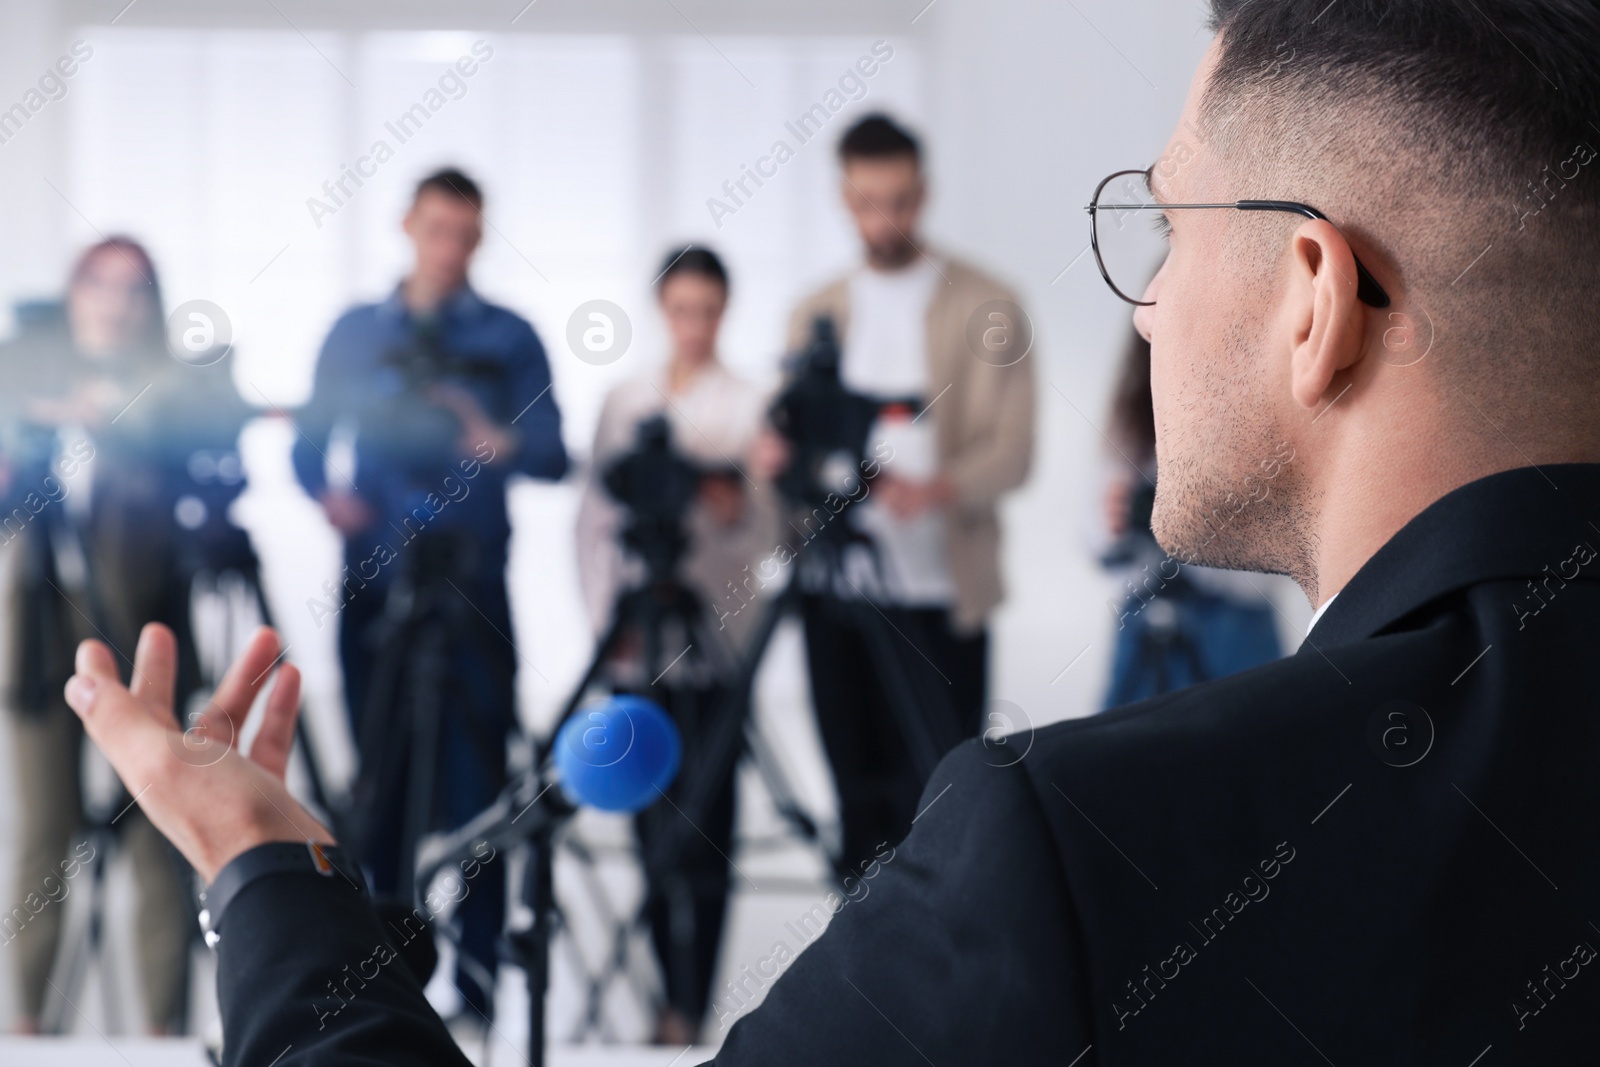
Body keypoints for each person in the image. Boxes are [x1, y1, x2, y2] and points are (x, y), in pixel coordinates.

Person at [50, 0, 1600, 1062]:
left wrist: (264, 871)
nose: (1142, 302)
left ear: (1317, 298)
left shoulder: (1066, 854)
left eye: (1165, 227)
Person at [290, 167, 568, 1017]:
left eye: (465, 233)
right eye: (436, 229)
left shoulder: (509, 337)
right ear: (407, 224)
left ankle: (478, 983)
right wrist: (327, 497)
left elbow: (555, 453)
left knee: (475, 787)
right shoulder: (355, 333)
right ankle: (375, 984)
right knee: (377, 783)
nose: (449, 248)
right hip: (375, 579)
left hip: (474, 582)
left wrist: (496, 440)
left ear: (480, 238)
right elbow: (308, 445)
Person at [760, 113, 1035, 877]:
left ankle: (943, 985)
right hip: (835, 590)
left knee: (945, 802)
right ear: (845, 199)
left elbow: (1014, 452)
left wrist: (937, 488)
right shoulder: (813, 312)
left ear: (925, 193)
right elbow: (795, 439)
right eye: (869, 201)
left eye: (902, 199)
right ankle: (856, 981)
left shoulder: (989, 302)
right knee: (858, 803)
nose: (887, 218)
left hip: (942, 593)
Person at [573, 246, 777, 1045]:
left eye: (709, 311)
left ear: (726, 311)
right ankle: (667, 1000)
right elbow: (592, 524)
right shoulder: (625, 399)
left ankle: (697, 1006)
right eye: (682, 310)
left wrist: (724, 498)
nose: (695, 326)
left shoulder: (754, 400)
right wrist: (605, 625)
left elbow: (767, 526)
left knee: (710, 826)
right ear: (662, 309)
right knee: (647, 821)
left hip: (716, 637)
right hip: (635, 645)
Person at [0, 238, 195, 1034]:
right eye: (99, 285)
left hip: (145, 629)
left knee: (159, 831)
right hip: (43, 635)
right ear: (72, 294)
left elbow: (201, 490)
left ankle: (167, 1033)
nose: (115, 303)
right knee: (43, 829)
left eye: (133, 289)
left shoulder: (178, 387)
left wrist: (114, 426)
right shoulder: (22, 376)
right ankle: (26, 1029)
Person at [1096, 328, 1285, 705]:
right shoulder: (1128, 432)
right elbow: (1096, 547)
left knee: (1248, 751)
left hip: (1234, 635)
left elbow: (1269, 572)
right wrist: (1114, 526)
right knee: (1125, 751)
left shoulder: (1262, 426)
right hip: (1144, 632)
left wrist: (1199, 530)